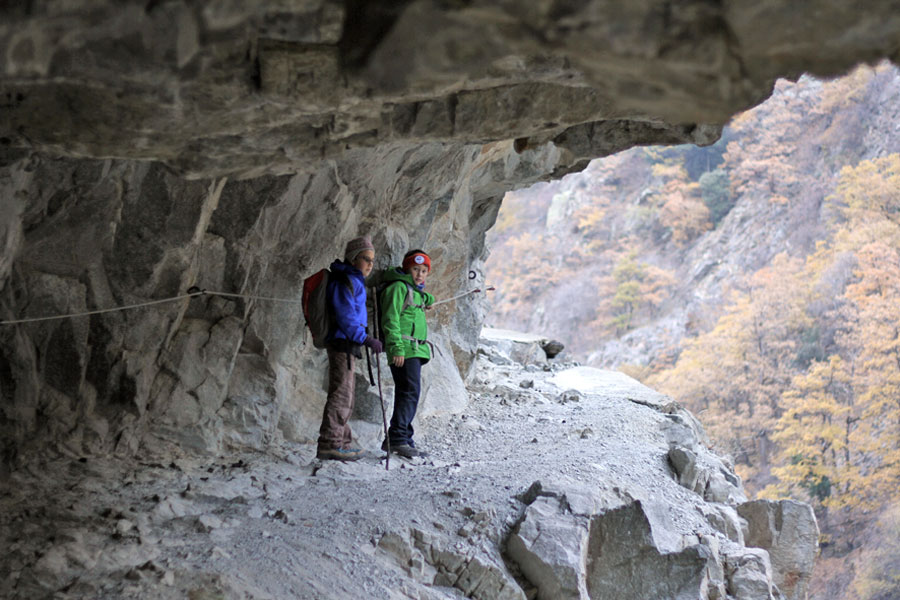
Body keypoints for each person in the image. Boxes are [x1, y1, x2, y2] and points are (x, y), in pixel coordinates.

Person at [316, 236, 383, 461]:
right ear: (353, 259)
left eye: (372, 260)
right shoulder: (343, 280)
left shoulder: (353, 280)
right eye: (366, 258)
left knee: (347, 393)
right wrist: (366, 339)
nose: (370, 264)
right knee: (341, 394)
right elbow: (346, 318)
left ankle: (343, 441)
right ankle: (330, 443)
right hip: (342, 342)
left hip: (347, 343)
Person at [379, 249, 435, 458]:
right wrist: (396, 348)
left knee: (410, 393)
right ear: (406, 269)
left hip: (414, 349)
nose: (419, 274)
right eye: (415, 269)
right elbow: (390, 319)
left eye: (424, 271)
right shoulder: (398, 288)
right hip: (404, 349)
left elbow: (423, 299)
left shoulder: (414, 291)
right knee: (408, 392)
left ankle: (404, 438)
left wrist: (427, 297)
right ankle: (397, 438)